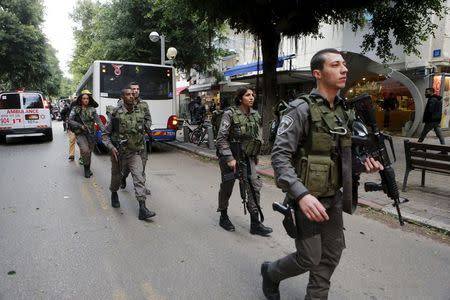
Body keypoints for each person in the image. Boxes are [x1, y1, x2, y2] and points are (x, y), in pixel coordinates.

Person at [261, 48, 384, 300]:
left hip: (333, 198)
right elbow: (279, 157)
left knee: (330, 255)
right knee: (309, 257)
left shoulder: (344, 111)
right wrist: (301, 195)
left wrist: (365, 163)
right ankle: (271, 273)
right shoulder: (300, 110)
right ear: (318, 73)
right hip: (307, 198)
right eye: (336, 65)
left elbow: (343, 157)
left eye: (344, 65)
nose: (344, 69)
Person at [216, 86, 272, 236]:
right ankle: (223, 215)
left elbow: (255, 137)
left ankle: (255, 223)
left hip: (248, 157)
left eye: (253, 95)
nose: (252, 97)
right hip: (231, 157)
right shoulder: (229, 114)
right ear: (240, 98)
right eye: (248, 95)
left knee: (254, 187)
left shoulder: (255, 114)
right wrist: (229, 158)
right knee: (227, 186)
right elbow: (221, 139)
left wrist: (256, 155)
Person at [102, 87, 156, 220]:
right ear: (122, 97)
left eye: (133, 94)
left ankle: (142, 208)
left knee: (139, 178)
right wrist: (111, 147)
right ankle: (114, 192)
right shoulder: (115, 114)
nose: (132, 96)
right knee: (116, 178)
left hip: (134, 153)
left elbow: (144, 126)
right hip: (118, 154)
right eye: (128, 94)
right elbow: (105, 135)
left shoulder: (140, 112)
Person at [119, 82, 152, 195]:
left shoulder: (144, 104)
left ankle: (141, 187)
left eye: (138, 89)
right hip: (127, 141)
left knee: (142, 163)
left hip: (140, 139)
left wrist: (144, 128)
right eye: (133, 89)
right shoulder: (122, 102)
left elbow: (148, 119)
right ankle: (123, 177)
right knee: (126, 166)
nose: (135, 91)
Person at [68, 90, 103, 177]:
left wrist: (105, 131)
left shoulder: (92, 109)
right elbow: (70, 120)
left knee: (89, 152)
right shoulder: (76, 109)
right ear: (80, 99)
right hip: (80, 133)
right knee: (85, 150)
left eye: (87, 98)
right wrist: (80, 126)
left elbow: (99, 122)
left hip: (91, 134)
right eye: (84, 98)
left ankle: (88, 168)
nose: (86, 100)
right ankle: (86, 170)